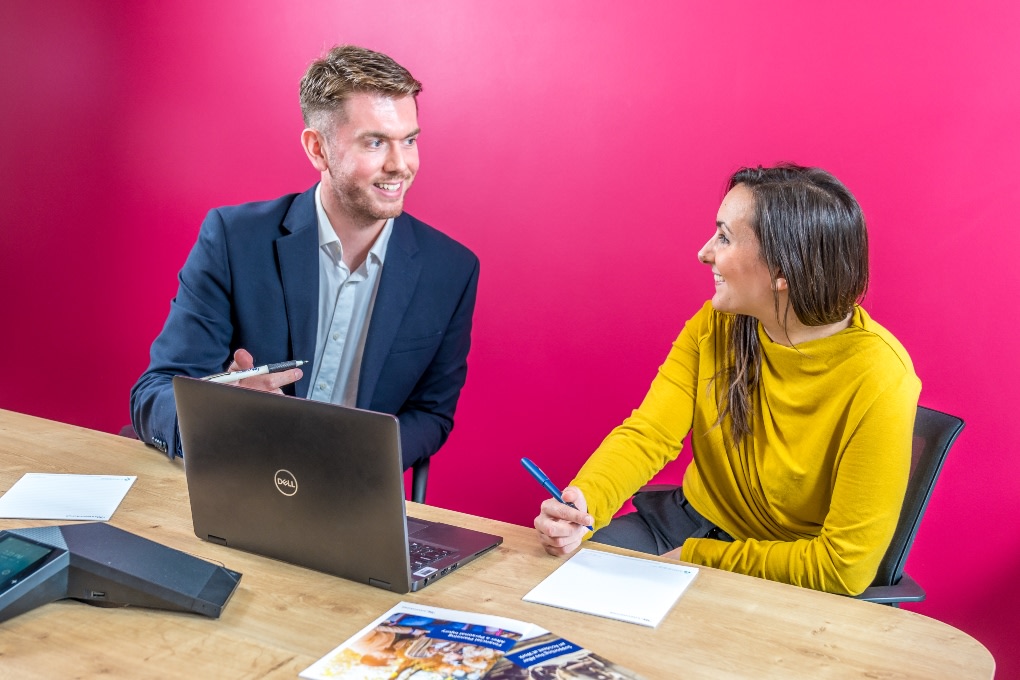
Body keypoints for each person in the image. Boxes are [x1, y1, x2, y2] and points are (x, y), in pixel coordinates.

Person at [534, 164, 920, 596]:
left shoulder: (881, 377)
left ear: (782, 269)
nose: (704, 253)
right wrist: (584, 502)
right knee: (561, 594)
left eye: (724, 237)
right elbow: (650, 434)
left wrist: (698, 560)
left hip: (781, 565)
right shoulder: (716, 324)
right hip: (685, 521)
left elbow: (844, 568)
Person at [130, 45, 479, 472]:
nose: (400, 164)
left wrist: (357, 463)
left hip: (353, 496)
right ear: (318, 149)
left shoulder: (452, 271)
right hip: (238, 474)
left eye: (409, 140)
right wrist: (218, 416)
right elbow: (155, 391)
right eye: (375, 142)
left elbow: (431, 414)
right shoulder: (234, 239)